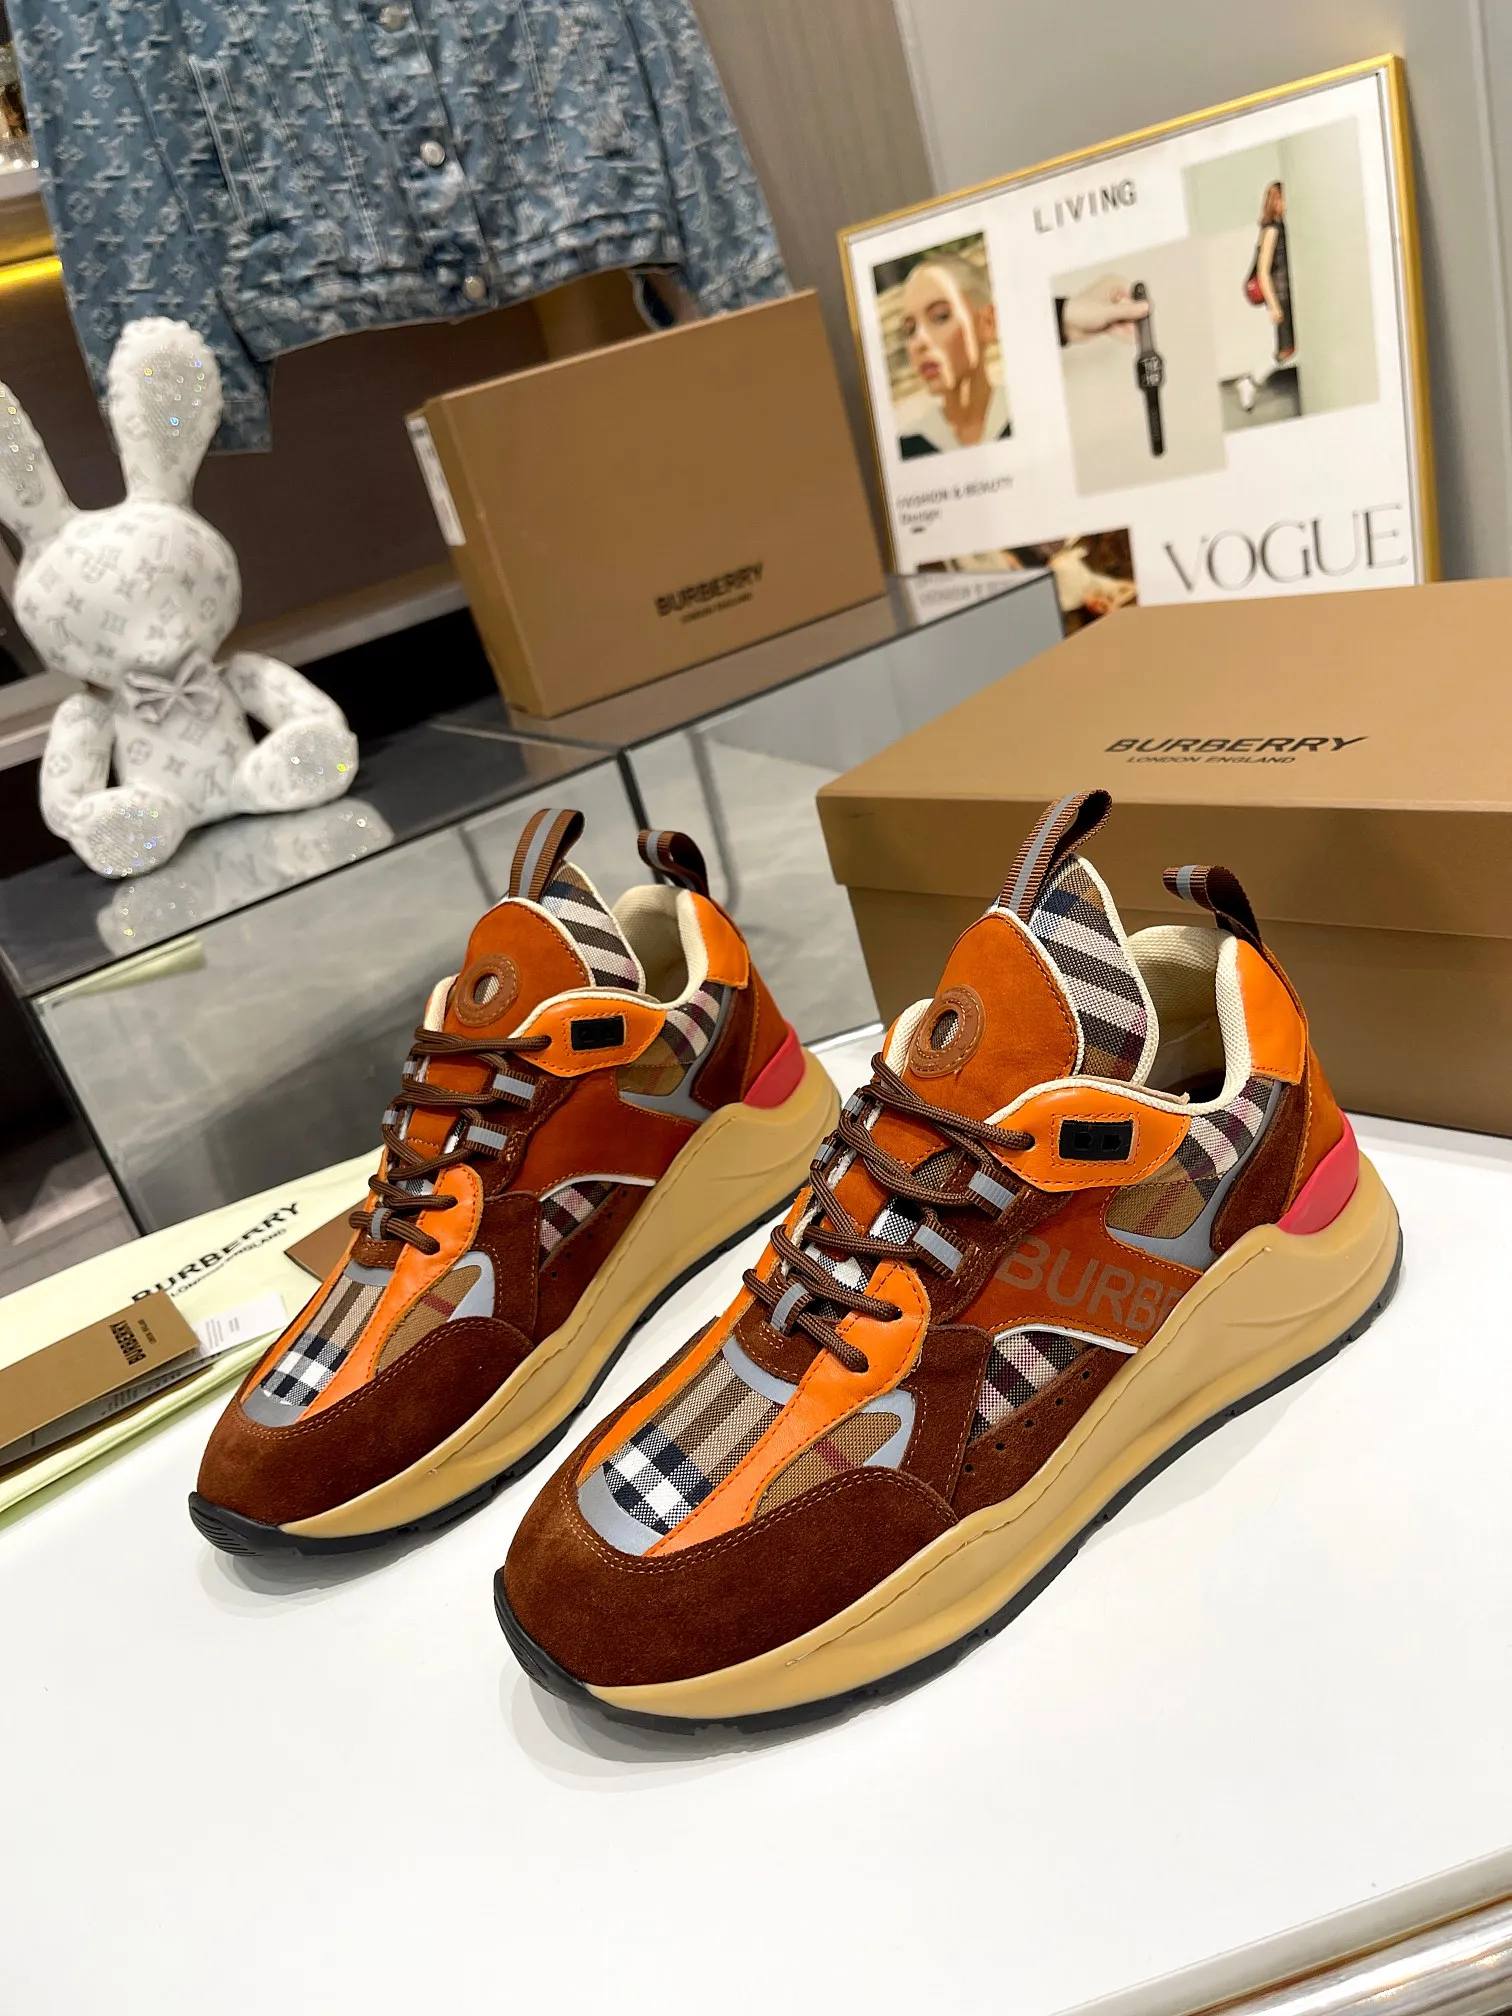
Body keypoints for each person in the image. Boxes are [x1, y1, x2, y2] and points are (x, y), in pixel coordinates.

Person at [895, 251, 1011, 456]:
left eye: (940, 316)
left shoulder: (1027, 415)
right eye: (910, 329)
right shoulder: (907, 448)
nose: (918, 342)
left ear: (988, 322)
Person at [1236, 181, 1296, 411]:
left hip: (1286, 294)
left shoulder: (1279, 227)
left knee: (1289, 349)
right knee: (1286, 350)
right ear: (1276, 201)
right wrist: (1273, 305)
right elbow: (1263, 272)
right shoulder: (1271, 230)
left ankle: (1249, 382)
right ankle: (1250, 382)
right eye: (1284, 198)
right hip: (1281, 296)